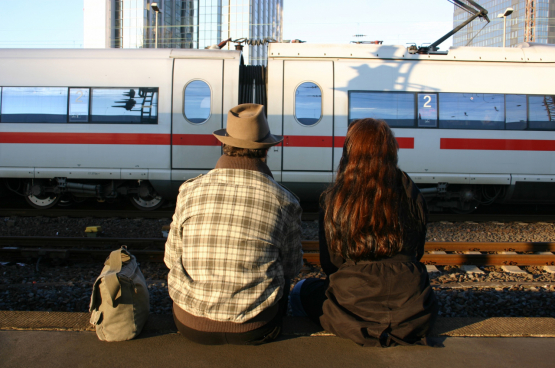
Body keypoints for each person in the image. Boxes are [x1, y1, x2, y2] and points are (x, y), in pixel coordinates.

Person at [290, 118, 438, 347]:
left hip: (351, 307)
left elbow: (331, 264)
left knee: (299, 291)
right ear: (391, 150)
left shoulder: (335, 197)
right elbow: (416, 253)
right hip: (412, 311)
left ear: (350, 150)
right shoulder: (411, 192)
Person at [165, 103, 303, 345]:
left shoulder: (188, 190)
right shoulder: (286, 201)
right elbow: (292, 267)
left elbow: (171, 258)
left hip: (190, 324)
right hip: (256, 326)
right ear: (265, 151)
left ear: (224, 145)